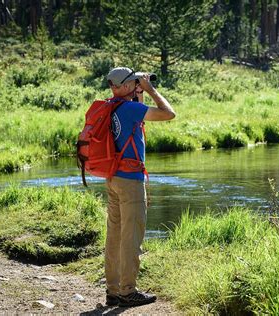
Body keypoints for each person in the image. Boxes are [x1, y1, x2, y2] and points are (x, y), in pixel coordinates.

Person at [104, 67, 175, 307]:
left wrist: (139, 91)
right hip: (131, 181)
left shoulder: (111, 106)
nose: (137, 84)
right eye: (133, 82)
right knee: (131, 237)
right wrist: (151, 89)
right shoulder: (131, 109)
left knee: (114, 236)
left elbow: (139, 128)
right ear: (122, 86)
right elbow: (168, 114)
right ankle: (128, 292)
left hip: (113, 178)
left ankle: (113, 290)